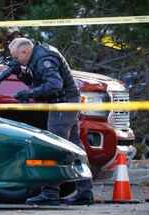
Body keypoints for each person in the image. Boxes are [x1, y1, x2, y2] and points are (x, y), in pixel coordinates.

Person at [8, 37, 94, 205]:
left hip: (62, 105)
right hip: (66, 103)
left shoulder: (44, 59)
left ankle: (50, 194)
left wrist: (29, 94)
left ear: (25, 51)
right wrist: (19, 72)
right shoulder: (37, 56)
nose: (15, 60)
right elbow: (38, 80)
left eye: (16, 58)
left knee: (53, 147)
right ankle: (85, 193)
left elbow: (54, 84)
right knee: (75, 148)